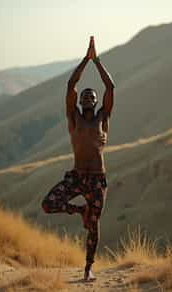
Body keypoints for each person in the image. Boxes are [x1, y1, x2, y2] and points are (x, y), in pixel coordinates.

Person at [41, 36, 115, 281]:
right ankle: (79, 210)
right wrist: (86, 59)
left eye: (90, 95)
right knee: (48, 204)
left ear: (95, 101)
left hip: (97, 180)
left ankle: (88, 268)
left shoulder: (103, 118)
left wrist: (98, 61)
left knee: (94, 226)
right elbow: (71, 84)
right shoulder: (73, 118)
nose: (86, 97)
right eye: (84, 95)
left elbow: (110, 88)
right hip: (76, 177)